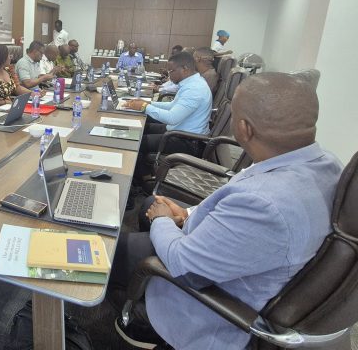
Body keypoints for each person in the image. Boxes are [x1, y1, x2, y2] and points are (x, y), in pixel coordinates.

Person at [111, 72, 343, 349]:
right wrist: (186, 215)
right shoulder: (326, 164)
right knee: (150, 204)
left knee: (108, 251)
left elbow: (184, 265)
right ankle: (140, 295)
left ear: (244, 129)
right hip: (230, 255)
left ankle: (140, 315)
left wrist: (163, 220)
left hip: (206, 303)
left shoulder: (265, 203)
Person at [125, 52, 212, 184]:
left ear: (185, 69)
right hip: (180, 131)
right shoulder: (191, 83)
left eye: (171, 71)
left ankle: (144, 181)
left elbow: (172, 118)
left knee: (136, 141)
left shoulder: (194, 89)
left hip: (189, 141)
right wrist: (148, 103)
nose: (169, 75)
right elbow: (172, 106)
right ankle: (143, 175)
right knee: (143, 127)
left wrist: (144, 106)